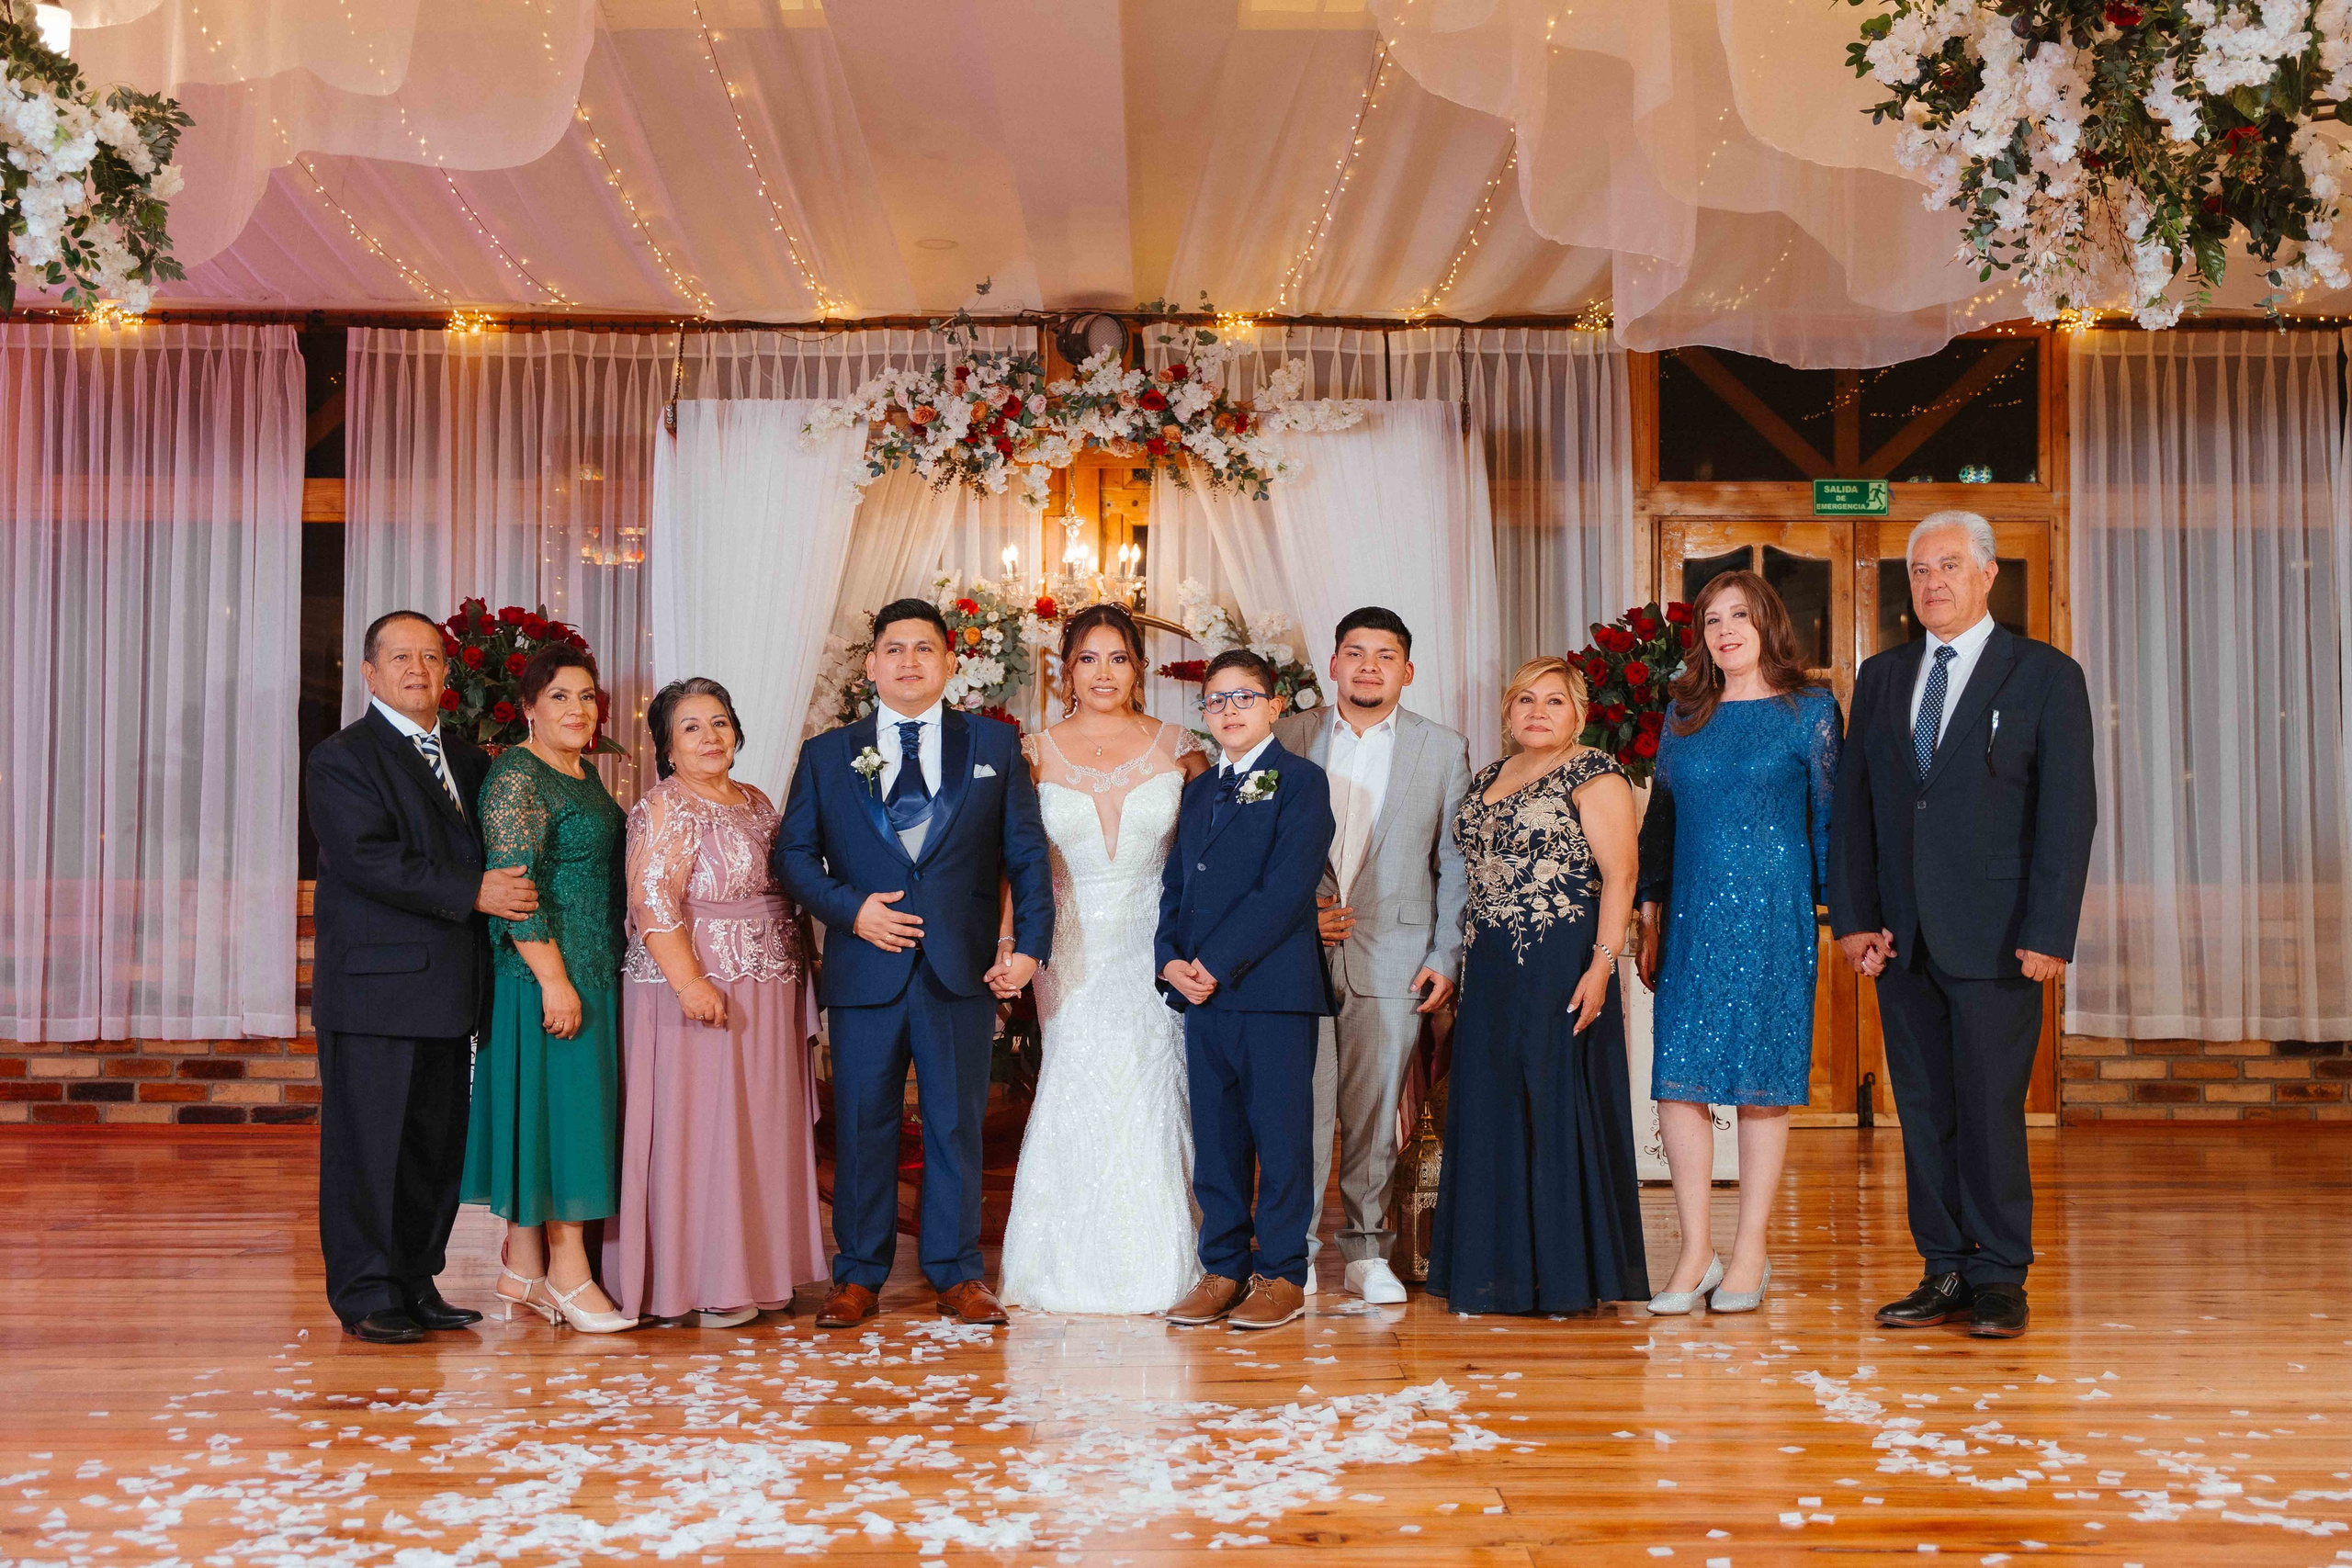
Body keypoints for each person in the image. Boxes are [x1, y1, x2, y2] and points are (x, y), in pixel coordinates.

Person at [1829, 511, 2096, 1341]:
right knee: (1923, 1110)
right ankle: (1943, 1265)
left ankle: (1999, 1274)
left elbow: (2068, 814)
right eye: (1919, 570)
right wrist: (1855, 919)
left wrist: (2049, 930)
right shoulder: (1881, 676)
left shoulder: (2045, 675)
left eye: (1949, 565)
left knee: (1989, 1110)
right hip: (1901, 939)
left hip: (1999, 935)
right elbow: (1855, 809)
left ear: (1987, 574)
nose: (1932, 582)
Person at [774, 598, 1055, 1329]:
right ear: (871, 664)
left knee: (955, 1124)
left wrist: (1029, 947)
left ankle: (957, 1272)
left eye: (924, 648)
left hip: (958, 970)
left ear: (950, 662)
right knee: (862, 1124)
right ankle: (858, 1274)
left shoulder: (994, 746)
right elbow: (792, 858)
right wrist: (852, 910)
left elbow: (1027, 855)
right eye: (894, 648)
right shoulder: (827, 754)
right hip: (865, 968)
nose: (908, 661)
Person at [307, 610, 537, 1344]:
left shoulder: (468, 760)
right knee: (369, 1149)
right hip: (375, 992)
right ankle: (365, 1291)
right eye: (401, 657)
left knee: (432, 1149)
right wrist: (475, 890)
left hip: (448, 990)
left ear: (447, 672)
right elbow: (369, 857)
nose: (418, 669)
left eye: (431, 657)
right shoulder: (342, 758)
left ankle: (415, 1279)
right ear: (370, 672)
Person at [1634, 572, 1842, 1316]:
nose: (1725, 630)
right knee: (1678, 1080)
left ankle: (1751, 1247)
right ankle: (1697, 1250)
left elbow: (1831, 819)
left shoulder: (1810, 711)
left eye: (1740, 616)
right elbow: (1661, 819)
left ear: (1767, 624)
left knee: (1761, 1082)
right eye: (1713, 619)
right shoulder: (1683, 714)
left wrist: (1846, 917)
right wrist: (1648, 911)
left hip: (1774, 919)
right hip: (1691, 915)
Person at [999, 604, 1212, 1314]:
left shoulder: (1181, 746)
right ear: (1067, 668)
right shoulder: (1033, 752)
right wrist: (1010, 945)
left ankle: (1166, 1262)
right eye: (1088, 658)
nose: (1103, 672)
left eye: (1118, 658)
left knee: (1155, 1084)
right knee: (1079, 1081)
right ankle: (1058, 1265)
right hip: (1072, 946)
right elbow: (1018, 865)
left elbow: (1209, 857)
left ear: (1138, 669)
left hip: (1158, 942)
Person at [602, 678, 827, 1328]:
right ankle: (699, 1280)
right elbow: (651, 898)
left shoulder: (757, 802)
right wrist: (689, 982)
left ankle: (760, 1271)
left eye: (720, 722)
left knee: (757, 1130)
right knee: (702, 1131)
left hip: (767, 988)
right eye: (692, 726)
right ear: (668, 746)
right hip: (697, 987)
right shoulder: (664, 805)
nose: (710, 736)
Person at [1428, 656, 1646, 1315]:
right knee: (1492, 1106)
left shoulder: (1594, 772)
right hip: (1489, 965)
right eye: (1525, 699)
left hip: (1560, 961)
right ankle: (1496, 1273)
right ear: (1508, 712)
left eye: (1554, 700)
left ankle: (1562, 1277)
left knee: (1553, 1103)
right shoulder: (1489, 777)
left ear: (1579, 713)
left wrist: (1601, 966)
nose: (1538, 711)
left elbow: (1622, 876)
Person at [1272, 606, 1470, 1305]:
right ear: (1333, 665)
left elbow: (1456, 862)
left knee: (1375, 1112)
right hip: (1293, 952)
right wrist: (1295, 917)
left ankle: (1365, 1250)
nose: (1368, 667)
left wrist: (1446, 954)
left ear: (1406, 671)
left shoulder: (1442, 748)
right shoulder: (1287, 737)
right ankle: (1290, 1251)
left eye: (1385, 656)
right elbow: (1257, 849)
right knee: (1298, 1110)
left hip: (1396, 953)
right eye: (1355, 653)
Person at [1158, 649, 1336, 1332]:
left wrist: (1214, 960)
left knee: (1281, 1138)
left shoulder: (1302, 781)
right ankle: (1223, 1268)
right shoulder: (1200, 789)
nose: (1229, 710)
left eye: (1244, 697)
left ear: (1274, 705)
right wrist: (1170, 961)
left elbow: (1286, 889)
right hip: (1201, 995)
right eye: (1217, 700)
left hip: (1271, 992)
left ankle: (1282, 1274)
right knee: (1217, 1139)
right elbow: (1176, 885)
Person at [460, 643, 635, 1334]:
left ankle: (525, 1268)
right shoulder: (516, 776)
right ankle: (569, 1274)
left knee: (560, 1119)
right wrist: (555, 981)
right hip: (545, 976)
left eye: (586, 696)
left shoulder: (583, 772)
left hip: (591, 968)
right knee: (567, 1125)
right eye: (559, 695)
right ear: (528, 707)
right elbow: (513, 889)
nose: (577, 708)